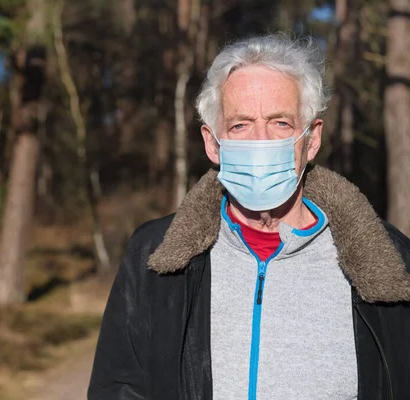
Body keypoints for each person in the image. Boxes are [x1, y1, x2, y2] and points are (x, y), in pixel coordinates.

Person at [87, 34, 410, 400]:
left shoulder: (391, 262)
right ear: (213, 143)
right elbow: (117, 389)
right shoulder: (155, 256)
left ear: (312, 139)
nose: (260, 141)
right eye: (241, 125)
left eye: (281, 123)